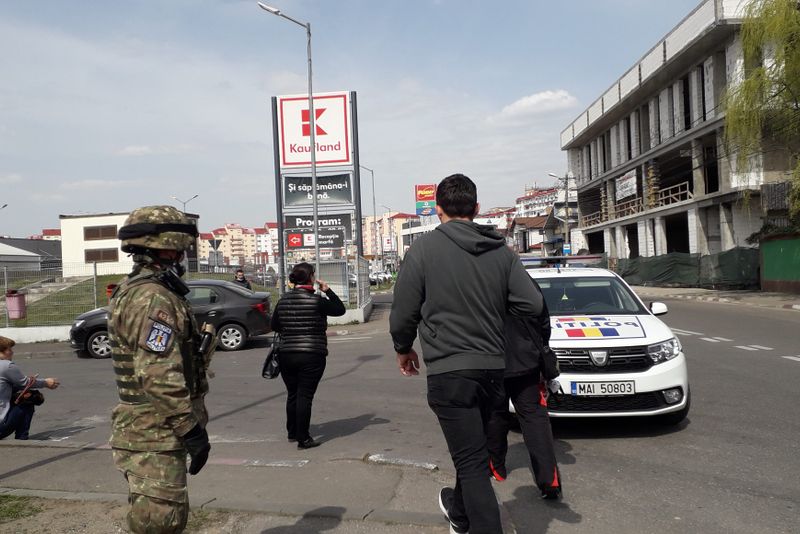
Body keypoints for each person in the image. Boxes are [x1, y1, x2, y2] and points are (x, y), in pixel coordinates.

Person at [390, 174, 544, 534]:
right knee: (473, 453)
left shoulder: (423, 250)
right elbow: (533, 303)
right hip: (493, 370)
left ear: (437, 208)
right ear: (476, 208)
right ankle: (459, 514)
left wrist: (403, 348)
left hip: (449, 372)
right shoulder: (501, 252)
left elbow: (403, 312)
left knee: (472, 463)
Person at [109, 205, 212, 534]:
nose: (184, 255)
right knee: (158, 523)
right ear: (168, 247)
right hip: (154, 432)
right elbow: (157, 374)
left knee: (160, 520)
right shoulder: (153, 297)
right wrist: (190, 430)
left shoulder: (147, 289)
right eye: (181, 248)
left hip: (151, 430)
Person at [486, 285, 563, 499]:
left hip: (493, 360)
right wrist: (540, 347)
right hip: (526, 360)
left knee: (495, 416)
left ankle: (496, 469)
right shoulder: (522, 280)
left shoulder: (481, 277)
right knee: (534, 418)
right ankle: (549, 481)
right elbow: (543, 318)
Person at [270, 262, 346, 449]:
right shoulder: (317, 300)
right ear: (311, 278)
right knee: (305, 395)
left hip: (286, 354)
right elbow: (339, 310)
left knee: (293, 393)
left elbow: (274, 326)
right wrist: (328, 291)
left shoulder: (283, 300)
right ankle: (303, 439)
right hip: (312, 353)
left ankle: (292, 432)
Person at [0, 336, 60, 440]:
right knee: (29, 398)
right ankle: (22, 439)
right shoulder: (6, 366)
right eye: (9, 349)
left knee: (17, 393)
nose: (12, 352)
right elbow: (25, 383)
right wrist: (46, 382)